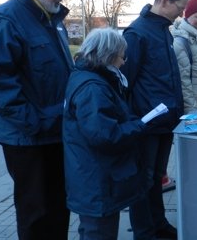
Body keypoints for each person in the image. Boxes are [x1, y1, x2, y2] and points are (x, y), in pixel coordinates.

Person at [0, 0, 73, 239]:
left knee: (58, 205)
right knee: (36, 212)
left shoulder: (51, 20)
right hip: (29, 138)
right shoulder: (5, 20)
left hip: (55, 132)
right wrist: (36, 122)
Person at [63, 28, 150, 240]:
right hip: (97, 180)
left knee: (94, 229)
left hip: (93, 176)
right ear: (108, 56)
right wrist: (138, 126)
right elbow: (105, 135)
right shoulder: (93, 87)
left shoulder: (88, 77)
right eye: (122, 56)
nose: (123, 62)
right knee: (99, 231)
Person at [120, 0, 190, 240]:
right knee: (143, 180)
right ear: (165, 1)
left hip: (165, 122)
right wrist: (134, 121)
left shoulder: (163, 30)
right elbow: (125, 81)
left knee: (157, 177)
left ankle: (158, 224)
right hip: (146, 124)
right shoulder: (137, 33)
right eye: (180, 8)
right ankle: (144, 232)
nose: (181, 14)